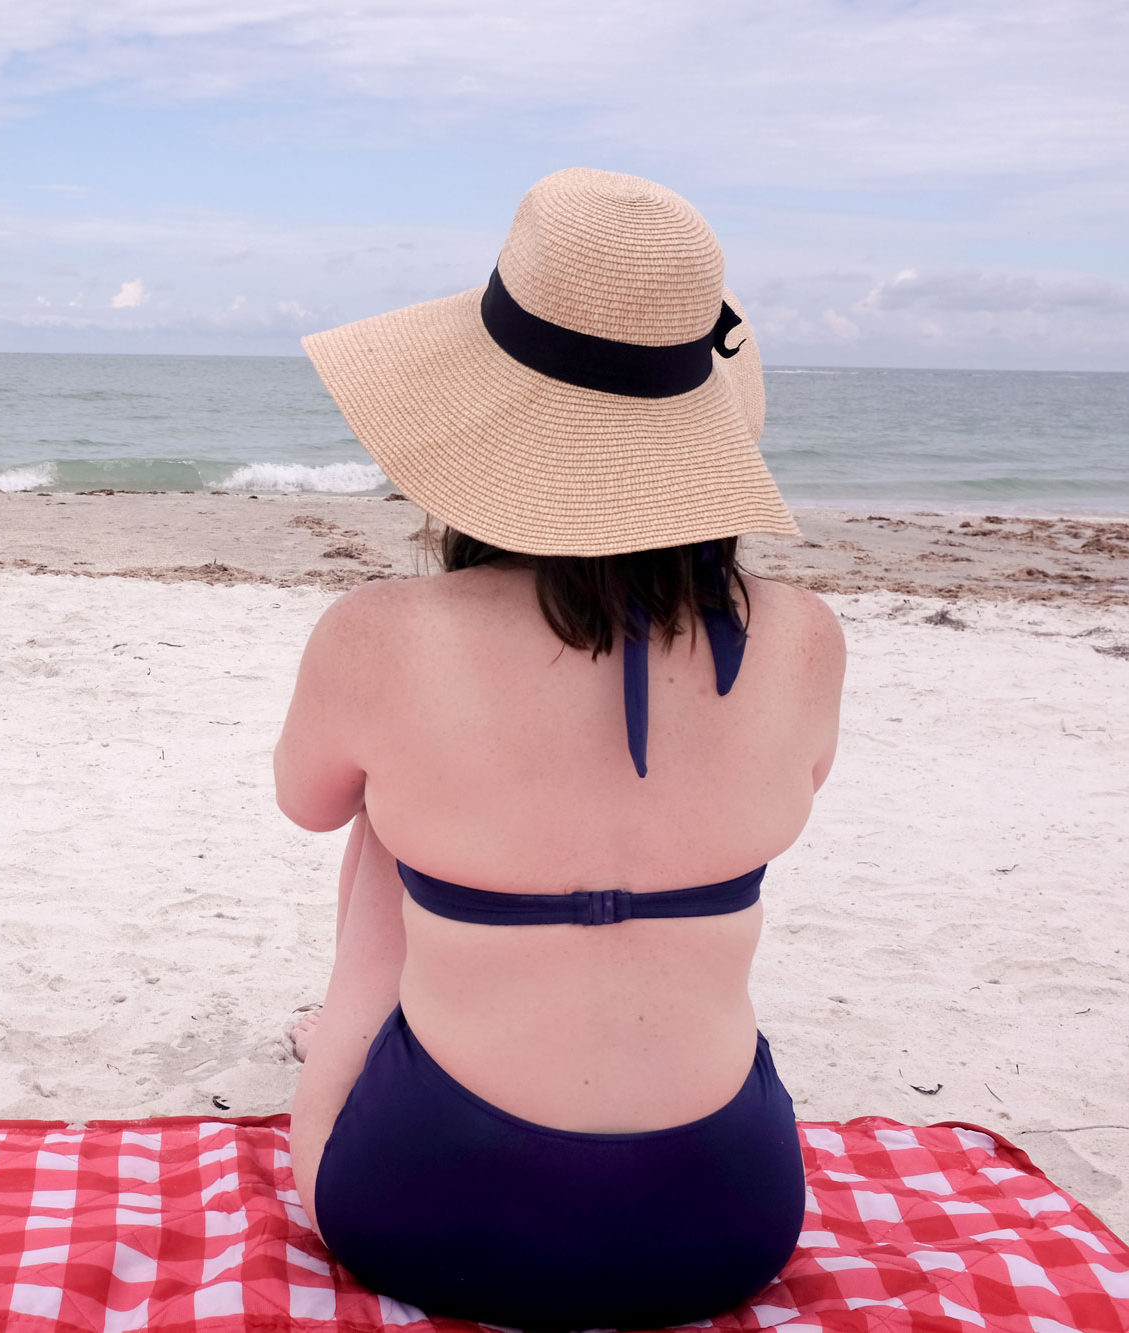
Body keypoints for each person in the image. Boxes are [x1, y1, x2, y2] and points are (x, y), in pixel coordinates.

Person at [274, 169, 845, 1331]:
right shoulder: (800, 637)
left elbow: (306, 804)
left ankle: (336, 1032)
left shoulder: (380, 633)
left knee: (391, 823)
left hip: (426, 1210)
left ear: (477, 426)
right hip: (730, 1220)